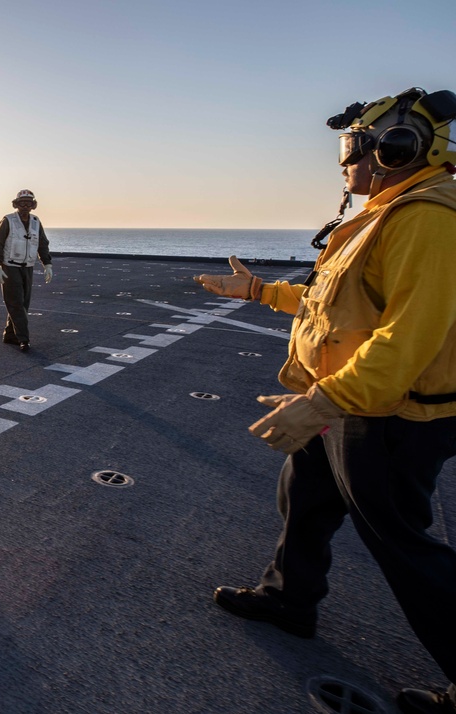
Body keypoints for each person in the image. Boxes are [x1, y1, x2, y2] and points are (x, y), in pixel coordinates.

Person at [193, 87, 456, 714]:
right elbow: (335, 302)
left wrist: (326, 401)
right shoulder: (388, 211)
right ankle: (290, 600)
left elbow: (406, 338)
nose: (344, 162)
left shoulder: (427, 217)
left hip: (389, 414)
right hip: (347, 402)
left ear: (398, 148)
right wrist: (258, 290)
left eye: (353, 148)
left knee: (402, 542)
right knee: (305, 495)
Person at [0, 189, 53, 352]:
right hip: (10, 267)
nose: (25, 206)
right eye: (22, 203)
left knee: (23, 303)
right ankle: (23, 339)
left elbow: (42, 243)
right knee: (16, 304)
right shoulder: (8, 220)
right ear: (16, 204)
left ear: (33, 205)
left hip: (27, 268)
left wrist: (47, 264)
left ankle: (10, 335)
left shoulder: (35, 221)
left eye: (29, 203)